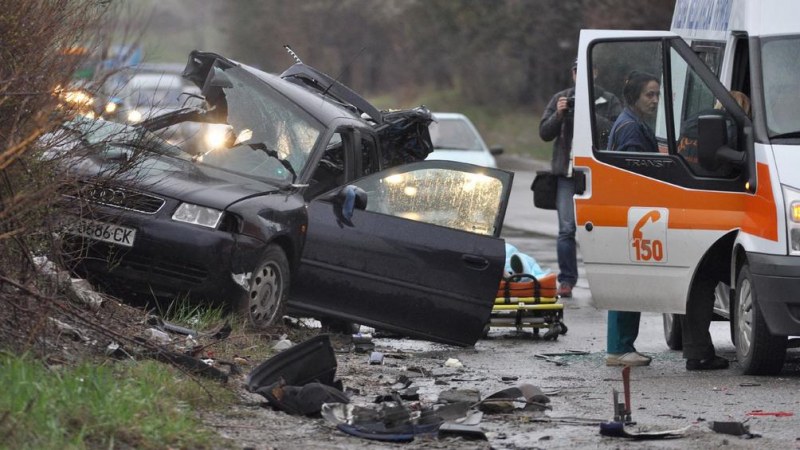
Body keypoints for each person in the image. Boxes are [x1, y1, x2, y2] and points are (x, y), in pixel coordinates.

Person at [539, 59, 621, 298]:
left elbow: (614, 131)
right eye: (576, 71)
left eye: (586, 70)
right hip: (567, 173)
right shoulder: (560, 99)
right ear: (572, 74)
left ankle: (603, 281)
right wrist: (560, 114)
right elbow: (544, 133)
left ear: (595, 72)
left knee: (598, 229)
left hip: (596, 174)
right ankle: (566, 280)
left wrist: (588, 113)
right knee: (566, 230)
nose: (581, 74)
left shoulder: (608, 100)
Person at [605, 71, 661, 367]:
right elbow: (634, 174)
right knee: (628, 282)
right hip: (632, 214)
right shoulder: (630, 128)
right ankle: (619, 347)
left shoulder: (633, 122)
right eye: (649, 95)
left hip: (629, 214)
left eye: (656, 94)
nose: (654, 100)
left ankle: (623, 345)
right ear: (634, 97)